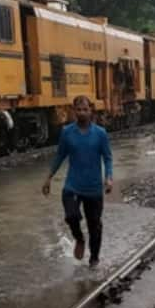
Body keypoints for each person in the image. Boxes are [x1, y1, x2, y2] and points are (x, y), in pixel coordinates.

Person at [42, 96, 114, 267]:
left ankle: (94, 259)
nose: (81, 113)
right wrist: (49, 177)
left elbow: (108, 157)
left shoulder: (100, 134)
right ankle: (79, 239)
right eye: (78, 110)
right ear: (73, 111)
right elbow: (60, 155)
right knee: (71, 215)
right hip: (73, 185)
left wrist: (109, 177)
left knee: (94, 225)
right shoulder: (67, 132)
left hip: (93, 187)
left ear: (91, 111)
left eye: (85, 110)